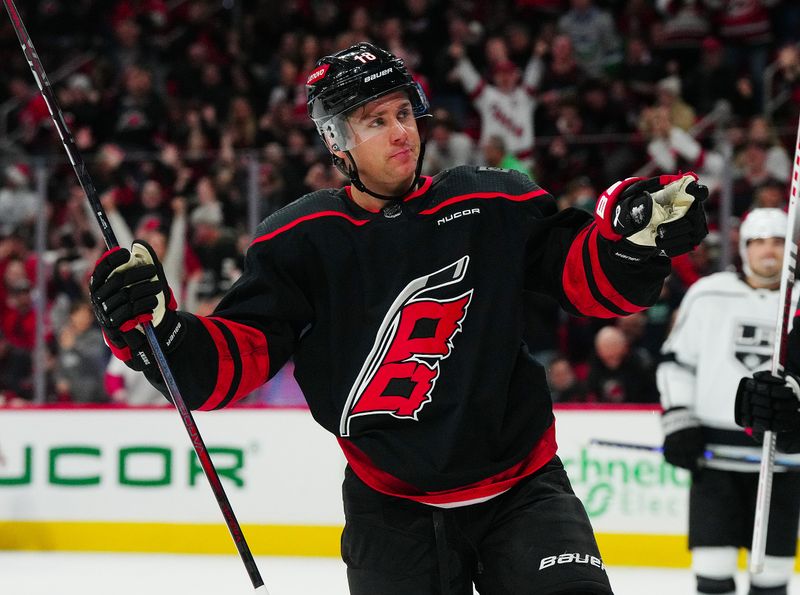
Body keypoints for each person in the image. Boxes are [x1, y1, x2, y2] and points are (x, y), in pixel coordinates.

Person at [88, 42, 709, 595]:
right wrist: (159, 331)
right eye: (374, 121)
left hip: (523, 488)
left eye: (404, 114)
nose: (400, 132)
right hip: (391, 508)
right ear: (336, 142)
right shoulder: (300, 241)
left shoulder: (493, 200)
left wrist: (632, 244)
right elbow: (232, 360)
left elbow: (587, 277)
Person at [657, 208, 800, 595]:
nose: (768, 251)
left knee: (771, 577)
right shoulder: (709, 293)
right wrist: (679, 421)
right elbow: (676, 363)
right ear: (743, 247)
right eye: (758, 242)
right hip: (714, 456)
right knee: (712, 570)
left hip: (783, 461)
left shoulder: (799, 301)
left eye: (777, 241)